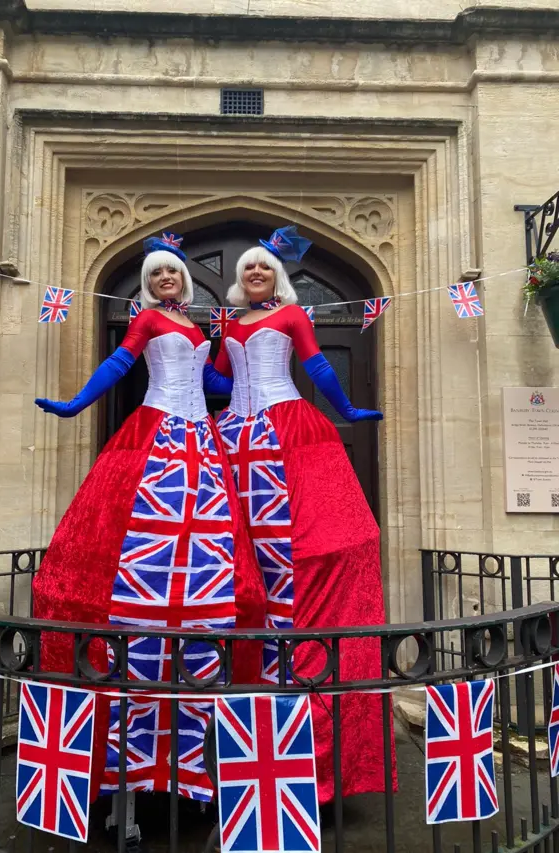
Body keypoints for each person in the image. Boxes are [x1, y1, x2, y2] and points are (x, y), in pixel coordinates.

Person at [32, 232, 266, 808]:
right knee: (133, 532)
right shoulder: (147, 323)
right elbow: (119, 363)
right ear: (148, 283)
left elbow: (212, 384)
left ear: (184, 281)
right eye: (158, 274)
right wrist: (75, 404)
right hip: (158, 431)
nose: (167, 280)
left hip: (201, 441)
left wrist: (261, 374)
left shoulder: (193, 328)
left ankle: (195, 723)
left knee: (209, 541)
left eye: (173, 273)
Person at [213, 225, 394, 804]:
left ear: (278, 275)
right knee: (233, 538)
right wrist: (183, 367)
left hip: (285, 425)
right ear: (239, 282)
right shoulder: (227, 324)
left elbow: (314, 368)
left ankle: (298, 667)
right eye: (247, 270)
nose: (255, 274)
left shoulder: (293, 317)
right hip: (235, 433)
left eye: (263, 267)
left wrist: (344, 407)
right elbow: (221, 377)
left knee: (304, 537)